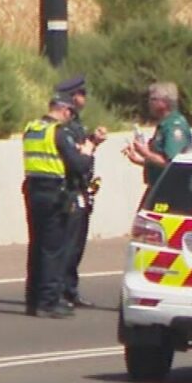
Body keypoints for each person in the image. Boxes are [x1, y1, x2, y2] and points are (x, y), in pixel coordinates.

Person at [23, 76, 99, 319]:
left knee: (36, 247)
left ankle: (33, 299)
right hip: (55, 193)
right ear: (65, 110)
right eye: (70, 113)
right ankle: (48, 302)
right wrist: (88, 150)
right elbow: (78, 164)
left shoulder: (32, 129)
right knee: (53, 249)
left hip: (33, 191)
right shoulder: (58, 132)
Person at [60, 79, 107, 309]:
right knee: (68, 245)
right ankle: (61, 291)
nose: (85, 98)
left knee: (77, 246)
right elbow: (75, 157)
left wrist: (93, 141)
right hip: (70, 190)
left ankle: (71, 290)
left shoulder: (76, 124)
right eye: (82, 94)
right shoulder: (65, 127)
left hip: (82, 187)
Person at [123, 81, 192, 194]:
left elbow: (172, 163)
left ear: (164, 102)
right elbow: (159, 162)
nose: (149, 103)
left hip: (170, 191)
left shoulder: (174, 126)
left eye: (153, 99)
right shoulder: (164, 124)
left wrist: (145, 152)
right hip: (157, 187)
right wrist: (139, 159)